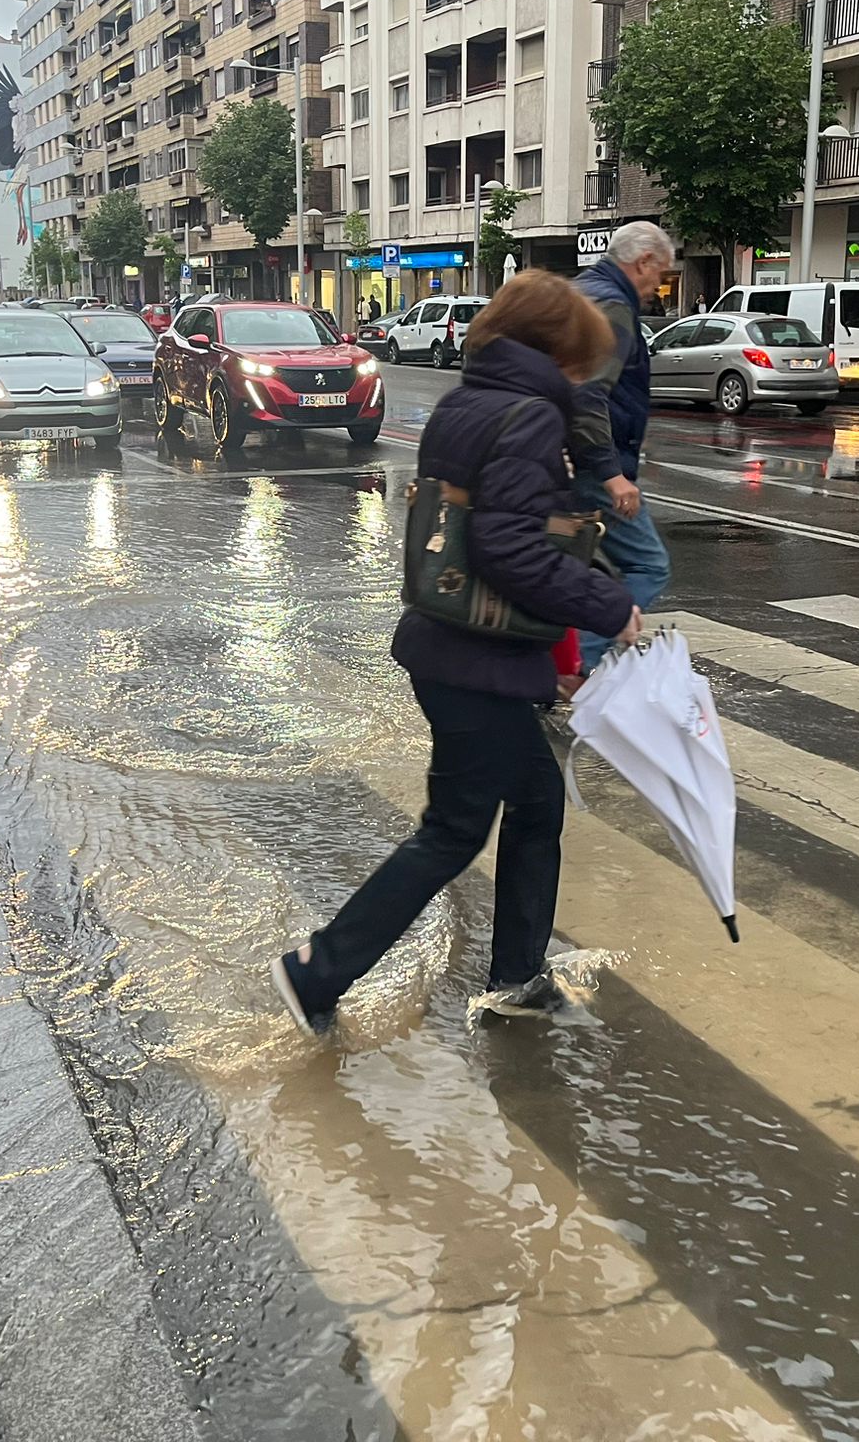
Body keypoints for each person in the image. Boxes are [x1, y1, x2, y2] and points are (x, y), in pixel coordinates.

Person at [270, 271, 640, 1034]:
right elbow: (510, 549)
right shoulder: (530, 416)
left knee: (536, 803)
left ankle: (518, 976)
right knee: (453, 830)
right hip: (479, 660)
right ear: (556, 349)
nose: (583, 377)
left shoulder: (467, 400)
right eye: (579, 360)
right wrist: (609, 606)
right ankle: (317, 971)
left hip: (452, 644)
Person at [571, 220, 676, 671]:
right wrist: (612, 475)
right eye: (661, 274)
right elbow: (588, 393)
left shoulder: (580, 290)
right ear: (644, 261)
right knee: (648, 564)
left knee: (573, 558)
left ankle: (558, 652)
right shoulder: (613, 306)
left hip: (551, 454)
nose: (659, 287)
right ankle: (576, 662)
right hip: (590, 460)